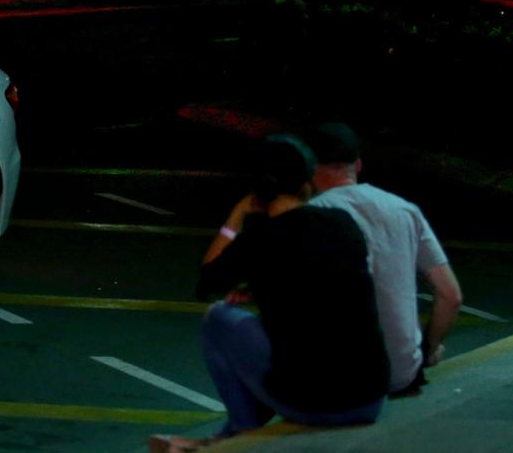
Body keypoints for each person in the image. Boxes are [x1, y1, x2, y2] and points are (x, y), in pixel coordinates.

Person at [151, 135, 389, 453]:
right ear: (307, 182)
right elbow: (322, 278)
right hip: (370, 398)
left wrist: (238, 213)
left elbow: (207, 281)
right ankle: (234, 432)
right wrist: (262, 284)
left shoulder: (260, 239)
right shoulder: (341, 222)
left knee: (218, 318)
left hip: (319, 406)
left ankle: (241, 431)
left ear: (258, 190)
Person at [305, 122, 463, 396]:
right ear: (358, 164)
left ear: (309, 168)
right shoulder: (404, 209)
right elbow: (451, 295)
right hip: (401, 374)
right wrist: (426, 351)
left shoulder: (310, 215)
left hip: (343, 380)